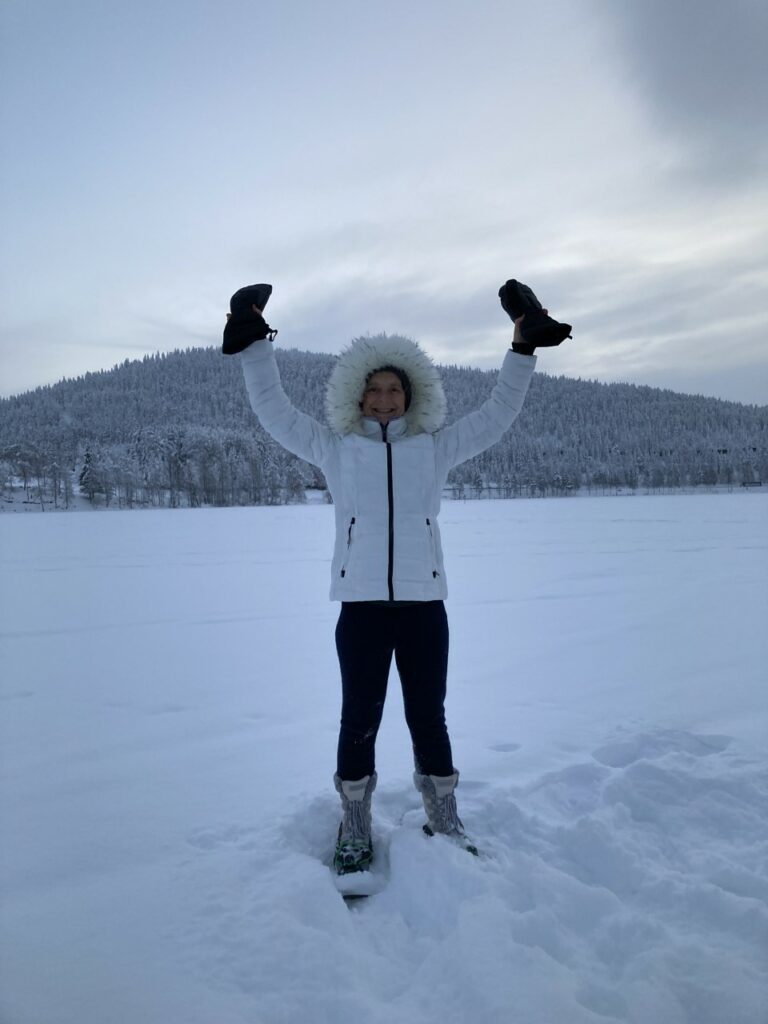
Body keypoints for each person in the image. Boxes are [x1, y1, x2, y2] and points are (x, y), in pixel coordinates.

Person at [229, 286, 545, 873]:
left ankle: (445, 817)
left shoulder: (435, 447)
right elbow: (274, 412)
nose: (383, 398)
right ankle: (354, 824)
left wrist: (521, 348)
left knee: (429, 715)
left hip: (425, 606)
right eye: (373, 389)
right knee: (360, 716)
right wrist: (252, 347)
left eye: (393, 389)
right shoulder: (336, 448)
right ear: (357, 394)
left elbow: (498, 414)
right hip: (362, 608)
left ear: (411, 395)